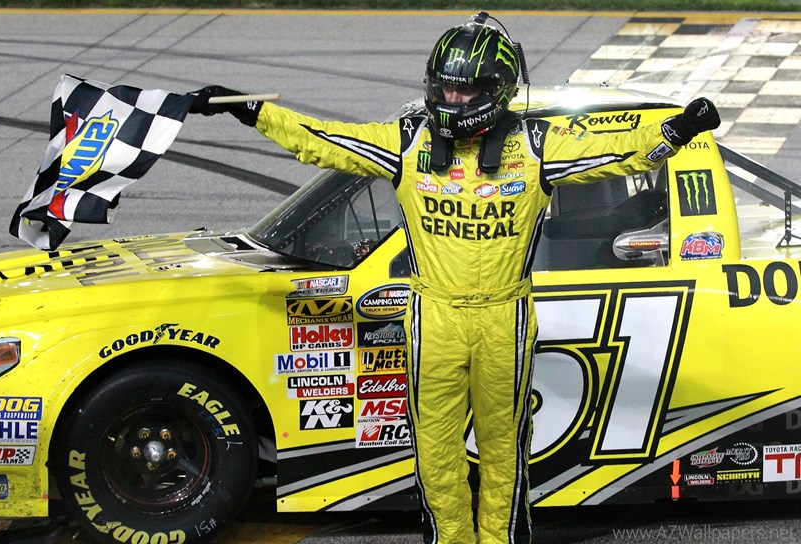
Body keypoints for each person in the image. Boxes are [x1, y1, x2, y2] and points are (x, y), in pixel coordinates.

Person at [189, 12, 719, 544]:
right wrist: (252, 111)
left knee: (504, 452)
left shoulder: (536, 146)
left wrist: (677, 130)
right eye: (444, 88)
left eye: (465, 92)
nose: (452, 100)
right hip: (434, 317)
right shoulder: (407, 142)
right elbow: (322, 140)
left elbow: (617, 153)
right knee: (436, 453)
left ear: (496, 90)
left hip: (504, 318)